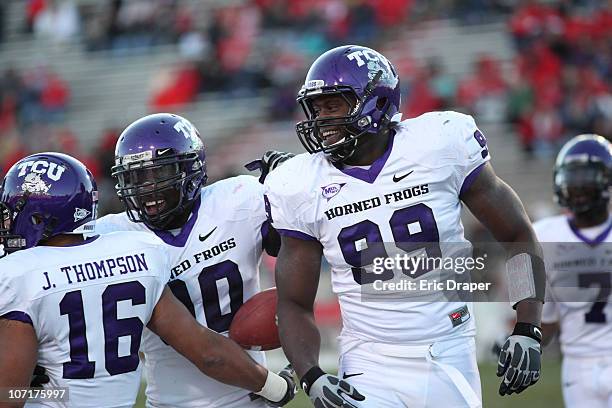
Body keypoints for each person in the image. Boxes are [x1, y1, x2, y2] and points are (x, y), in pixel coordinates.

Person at [264, 45, 545, 407]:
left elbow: (517, 234)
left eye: (333, 106)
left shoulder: (440, 142)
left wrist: (527, 326)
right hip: (368, 360)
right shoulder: (300, 182)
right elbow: (293, 302)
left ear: (375, 103)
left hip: (448, 348)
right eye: (316, 109)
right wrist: (311, 375)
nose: (321, 121)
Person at [0, 152, 295, 408]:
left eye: (11, 214)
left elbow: (8, 396)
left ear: (39, 218)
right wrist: (277, 388)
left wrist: (36, 386)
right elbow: (207, 352)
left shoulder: (18, 272)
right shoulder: (138, 253)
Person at [93, 113, 290, 407]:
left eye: (157, 174)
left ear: (190, 168)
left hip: (246, 395)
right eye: (136, 178)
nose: (146, 188)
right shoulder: (111, 235)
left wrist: (290, 188)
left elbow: (298, 244)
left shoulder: (240, 198)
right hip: (178, 399)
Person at [535, 134, 612, 408]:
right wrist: (524, 338)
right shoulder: (544, 236)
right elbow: (548, 320)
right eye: (572, 178)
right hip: (578, 366)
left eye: (586, 178)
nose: (577, 187)